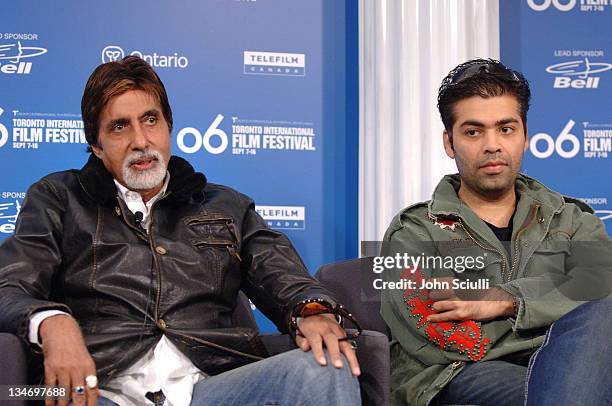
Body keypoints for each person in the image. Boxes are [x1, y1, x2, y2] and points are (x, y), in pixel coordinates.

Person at [0, 55, 361, 406]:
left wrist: (312, 309)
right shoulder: (58, 199)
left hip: (210, 386)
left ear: (168, 127)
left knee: (327, 364)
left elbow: (284, 276)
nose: (140, 141)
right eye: (119, 126)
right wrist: (53, 323)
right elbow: (10, 286)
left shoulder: (225, 206)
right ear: (96, 146)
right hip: (102, 386)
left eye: (150, 120)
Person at [380, 58, 612, 406]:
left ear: (525, 136)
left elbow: (604, 284)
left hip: (573, 361)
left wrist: (504, 300)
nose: (492, 145)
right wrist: (558, 313)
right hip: (458, 374)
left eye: (506, 129)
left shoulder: (571, 218)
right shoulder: (412, 231)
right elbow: (436, 330)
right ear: (449, 142)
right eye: (473, 131)